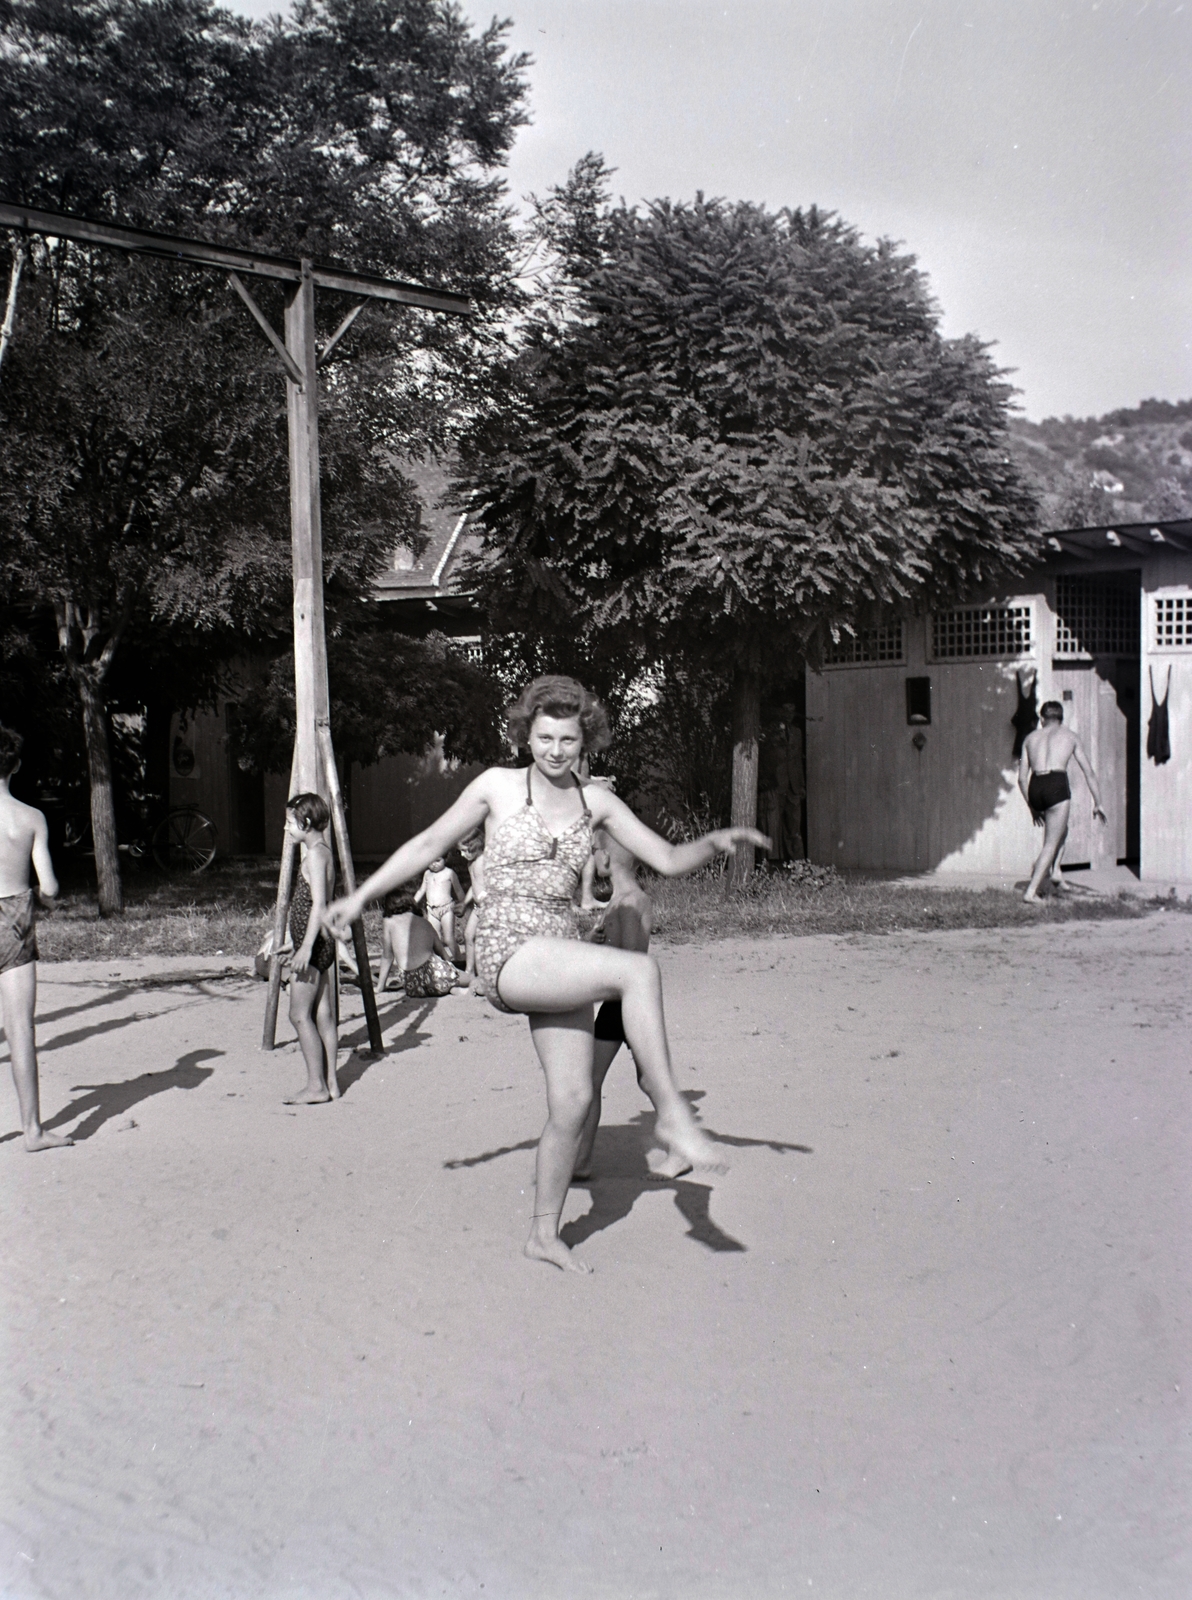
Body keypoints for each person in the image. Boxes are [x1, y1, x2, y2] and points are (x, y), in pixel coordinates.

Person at [326, 674, 767, 1273]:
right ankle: (671, 1116)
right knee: (637, 974)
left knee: (574, 1100)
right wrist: (359, 898)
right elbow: (428, 843)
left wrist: (715, 840)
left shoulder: (598, 802)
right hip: (510, 947)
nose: (555, 750)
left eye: (567, 740)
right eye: (543, 738)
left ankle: (543, 1232)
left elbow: (665, 858)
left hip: (559, 953)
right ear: (524, 735)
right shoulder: (497, 788)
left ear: (586, 742)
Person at [570, 826, 689, 1183]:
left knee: (592, 1081)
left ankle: (586, 1158)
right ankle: (584, 1159)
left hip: (623, 1006)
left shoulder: (627, 904)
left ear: (605, 858)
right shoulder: (628, 901)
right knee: (647, 1081)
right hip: (626, 1005)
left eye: (593, 850)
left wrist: (591, 953)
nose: (591, 857)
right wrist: (594, 942)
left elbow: (628, 963)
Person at [0, 727, 72, 1152]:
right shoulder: (31, 818)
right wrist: (42, 900)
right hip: (14, 919)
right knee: (20, 1029)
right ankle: (32, 1131)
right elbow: (49, 888)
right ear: (17, 766)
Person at [1019, 700, 1106, 903]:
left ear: (1042, 719)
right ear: (1061, 718)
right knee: (1051, 843)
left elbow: (1021, 778)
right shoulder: (1070, 736)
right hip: (1056, 784)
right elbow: (1089, 773)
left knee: (1061, 830)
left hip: (1035, 785)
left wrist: (1032, 806)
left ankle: (1056, 871)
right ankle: (1031, 892)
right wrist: (1098, 802)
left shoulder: (1030, 738)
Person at [283, 792, 340, 1104]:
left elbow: (317, 904)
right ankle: (331, 1081)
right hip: (321, 943)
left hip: (314, 945)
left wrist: (304, 948)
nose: (286, 829)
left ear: (305, 823)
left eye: (290, 823)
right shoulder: (324, 852)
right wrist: (292, 942)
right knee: (323, 1014)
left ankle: (315, 1086)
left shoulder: (315, 856)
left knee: (298, 1015)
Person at [376, 883, 459, 998]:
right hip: (437, 976)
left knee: (431, 984)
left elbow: (387, 956)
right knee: (466, 979)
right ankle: (455, 987)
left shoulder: (389, 921)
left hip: (413, 985)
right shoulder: (425, 922)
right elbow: (442, 953)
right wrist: (453, 970)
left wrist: (380, 986)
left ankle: (451, 988)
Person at [415, 857, 464, 962]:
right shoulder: (427, 874)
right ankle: (444, 961)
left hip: (446, 908)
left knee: (448, 938)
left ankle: (459, 960)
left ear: (445, 859)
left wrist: (463, 904)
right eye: (431, 861)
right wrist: (412, 903)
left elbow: (459, 890)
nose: (434, 864)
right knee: (435, 938)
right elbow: (421, 890)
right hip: (432, 910)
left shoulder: (449, 873)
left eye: (438, 860)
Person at [456, 826, 487, 991]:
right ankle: (469, 970)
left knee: (483, 940)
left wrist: (487, 896)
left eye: (465, 850)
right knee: (468, 935)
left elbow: (493, 882)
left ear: (476, 846)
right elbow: (474, 886)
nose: (462, 855)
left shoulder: (484, 861)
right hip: (477, 907)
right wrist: (465, 902)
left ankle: (485, 974)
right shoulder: (471, 863)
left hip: (488, 908)